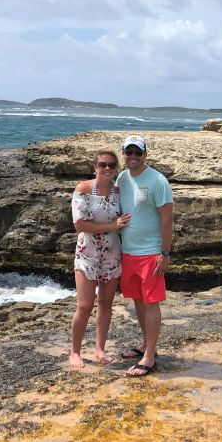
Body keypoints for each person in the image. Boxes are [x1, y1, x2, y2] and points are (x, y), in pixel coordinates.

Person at [116, 134, 173, 377]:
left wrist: (165, 253)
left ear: (145, 154)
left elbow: (167, 218)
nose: (133, 157)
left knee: (151, 302)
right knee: (138, 300)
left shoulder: (158, 181)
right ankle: (144, 345)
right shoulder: (122, 177)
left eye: (137, 152)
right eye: (129, 152)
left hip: (151, 253)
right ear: (124, 154)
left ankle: (149, 357)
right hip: (128, 251)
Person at [69, 150, 131, 368]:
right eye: (103, 165)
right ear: (95, 167)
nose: (107, 169)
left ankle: (100, 349)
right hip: (88, 253)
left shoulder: (118, 192)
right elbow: (80, 225)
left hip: (112, 252)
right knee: (84, 305)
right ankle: (75, 352)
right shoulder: (83, 190)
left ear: (116, 169)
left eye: (112, 165)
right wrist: (112, 226)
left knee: (106, 303)